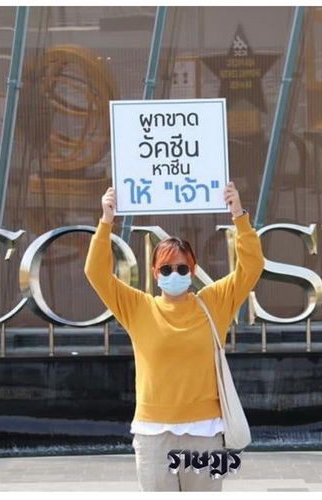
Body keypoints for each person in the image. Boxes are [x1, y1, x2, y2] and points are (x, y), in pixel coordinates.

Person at [85, 182, 265, 491]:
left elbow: (251, 268)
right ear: (155, 274)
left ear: (193, 270)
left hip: (205, 434)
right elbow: (96, 273)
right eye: (166, 269)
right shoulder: (138, 307)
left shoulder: (214, 303)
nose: (174, 275)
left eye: (182, 268)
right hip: (153, 435)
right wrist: (105, 222)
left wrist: (239, 214)